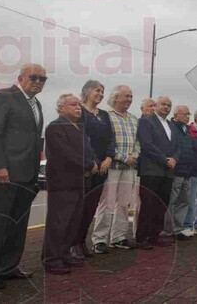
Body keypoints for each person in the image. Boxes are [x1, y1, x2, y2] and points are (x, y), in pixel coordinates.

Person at [0, 64, 46, 289]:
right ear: (21, 77)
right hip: (6, 173)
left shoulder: (37, 104)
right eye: (34, 77)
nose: (38, 82)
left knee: (18, 224)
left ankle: (9, 267)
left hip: (27, 175)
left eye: (43, 79)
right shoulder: (3, 97)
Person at [42, 94, 96, 274]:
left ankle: (64, 254)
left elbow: (87, 150)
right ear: (61, 108)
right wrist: (89, 164)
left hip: (78, 181)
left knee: (72, 221)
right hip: (62, 182)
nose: (78, 107)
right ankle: (52, 259)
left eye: (79, 104)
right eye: (73, 104)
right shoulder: (55, 127)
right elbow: (66, 154)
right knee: (59, 222)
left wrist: (93, 161)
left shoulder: (79, 128)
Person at [92, 85, 139, 254]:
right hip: (112, 166)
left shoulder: (134, 119)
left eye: (131, 96)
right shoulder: (106, 116)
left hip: (129, 168)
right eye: (125, 96)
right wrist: (123, 156)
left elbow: (137, 141)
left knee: (124, 204)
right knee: (107, 203)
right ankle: (99, 240)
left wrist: (135, 155)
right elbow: (106, 142)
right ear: (115, 97)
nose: (129, 99)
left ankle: (118, 238)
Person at [74, 80, 115, 260]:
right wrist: (93, 161)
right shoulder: (79, 111)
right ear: (87, 91)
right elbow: (81, 138)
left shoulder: (105, 115)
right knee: (79, 207)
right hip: (86, 166)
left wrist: (108, 158)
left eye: (102, 91)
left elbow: (111, 139)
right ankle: (72, 244)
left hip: (103, 168)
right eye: (97, 90)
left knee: (91, 207)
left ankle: (81, 241)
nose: (100, 94)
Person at [136, 96, 180, 249]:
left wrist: (174, 158)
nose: (166, 107)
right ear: (155, 106)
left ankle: (155, 235)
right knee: (148, 204)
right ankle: (142, 237)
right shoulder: (146, 121)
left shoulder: (171, 125)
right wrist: (164, 159)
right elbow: (147, 144)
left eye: (169, 105)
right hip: (151, 169)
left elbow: (177, 146)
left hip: (168, 171)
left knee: (162, 205)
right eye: (163, 104)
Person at [167, 105, 193, 240]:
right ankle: (168, 230)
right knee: (172, 201)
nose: (187, 117)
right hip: (176, 171)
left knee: (184, 201)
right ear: (176, 115)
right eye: (184, 114)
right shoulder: (171, 128)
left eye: (189, 114)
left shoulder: (187, 130)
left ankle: (178, 229)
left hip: (187, 172)